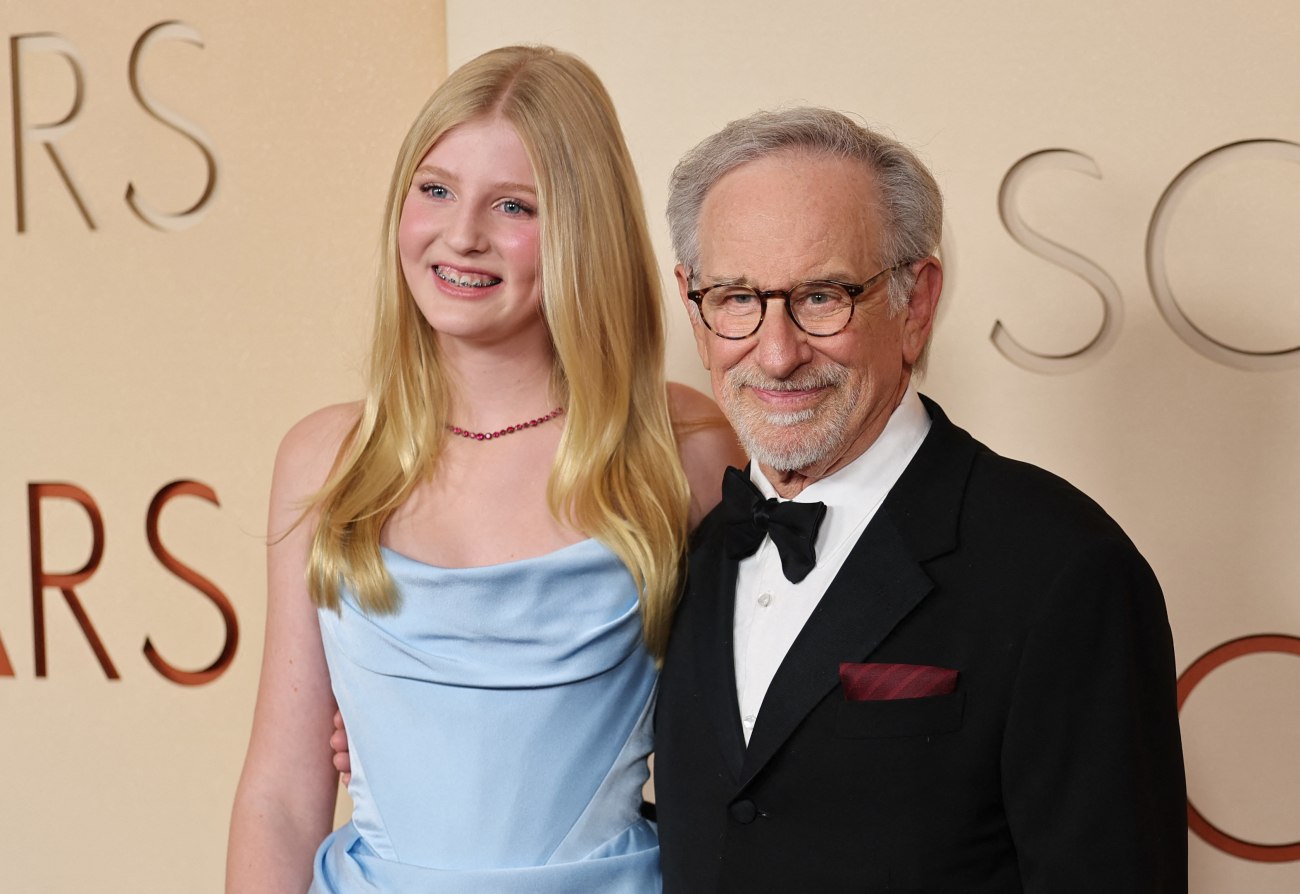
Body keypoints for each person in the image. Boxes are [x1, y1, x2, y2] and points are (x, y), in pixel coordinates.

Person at [225, 45, 740, 893]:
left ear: (583, 229)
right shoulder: (326, 457)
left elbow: (749, 759)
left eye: (513, 206)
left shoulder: (681, 446)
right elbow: (280, 794)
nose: (461, 235)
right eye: (435, 190)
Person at [652, 108, 1188, 892]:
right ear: (695, 309)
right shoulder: (690, 546)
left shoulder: (1063, 567)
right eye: (736, 297)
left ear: (916, 304)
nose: (777, 351)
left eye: (823, 296)